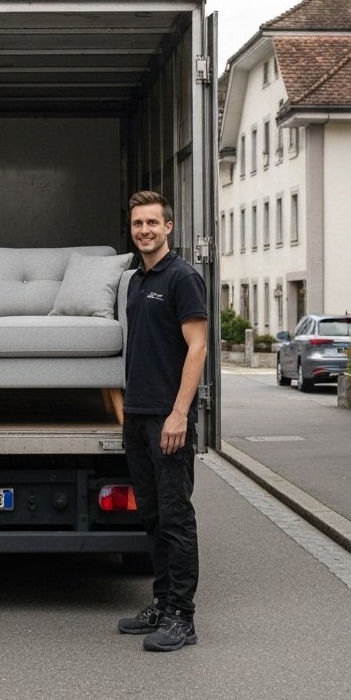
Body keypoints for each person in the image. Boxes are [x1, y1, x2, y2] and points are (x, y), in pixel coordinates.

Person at [118, 190, 208, 652]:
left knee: (176, 518)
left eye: (153, 223)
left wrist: (178, 413)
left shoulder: (182, 277)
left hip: (167, 419)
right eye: (138, 224)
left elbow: (197, 347)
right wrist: (126, 414)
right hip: (137, 416)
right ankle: (161, 601)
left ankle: (183, 618)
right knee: (151, 516)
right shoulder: (135, 281)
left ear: (168, 228)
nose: (145, 230)